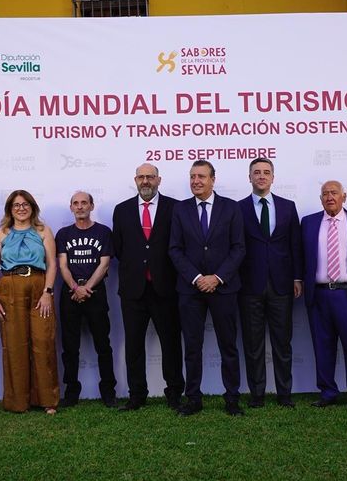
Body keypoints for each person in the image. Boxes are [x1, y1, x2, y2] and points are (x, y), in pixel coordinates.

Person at [169, 160, 246, 416]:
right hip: (190, 289)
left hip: (224, 288)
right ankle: (193, 399)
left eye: (201, 176)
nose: (196, 181)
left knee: (228, 346)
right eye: (192, 176)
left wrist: (217, 278)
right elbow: (175, 249)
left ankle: (232, 398)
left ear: (213, 179)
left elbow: (238, 248)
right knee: (192, 347)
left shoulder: (231, 207)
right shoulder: (180, 209)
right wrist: (197, 277)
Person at [111, 163, 184, 411]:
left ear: (158, 180)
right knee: (133, 345)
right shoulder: (121, 210)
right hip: (133, 290)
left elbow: (179, 245)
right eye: (141, 177)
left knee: (171, 344)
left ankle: (174, 392)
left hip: (166, 288)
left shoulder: (175, 208)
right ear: (135, 180)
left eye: (150, 177)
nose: (145, 181)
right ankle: (137, 395)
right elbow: (119, 248)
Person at [236, 158, 303, 408]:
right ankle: (257, 394)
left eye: (266, 172)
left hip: (282, 284)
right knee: (253, 344)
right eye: (256, 172)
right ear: (249, 177)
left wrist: (297, 277)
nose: (261, 176)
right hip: (248, 286)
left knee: (282, 342)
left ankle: (284, 394)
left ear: (273, 177)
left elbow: (295, 244)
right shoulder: (238, 208)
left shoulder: (288, 207)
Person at [301, 180, 347, 411]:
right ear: (320, 198)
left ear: (344, 196)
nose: (329, 197)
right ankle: (328, 392)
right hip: (319, 295)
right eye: (325, 194)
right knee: (322, 347)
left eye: (334, 193)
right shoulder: (308, 223)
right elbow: (301, 256)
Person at [0, 190, 59, 414]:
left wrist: (48, 292)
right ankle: (18, 401)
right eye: (16, 205)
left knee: (43, 341)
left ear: (32, 207)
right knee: (14, 344)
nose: (21, 208)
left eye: (25, 204)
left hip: (39, 286)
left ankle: (47, 399)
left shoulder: (43, 230)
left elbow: (52, 264)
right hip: (9, 288)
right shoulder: (1, 233)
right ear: (10, 209)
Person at [55, 191, 117, 407]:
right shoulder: (63, 234)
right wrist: (75, 287)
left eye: (84, 203)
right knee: (70, 347)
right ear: (71, 207)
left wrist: (86, 288)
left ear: (92, 206)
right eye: (76, 203)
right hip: (70, 294)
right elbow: (63, 265)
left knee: (103, 345)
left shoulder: (103, 232)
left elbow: (104, 264)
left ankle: (108, 392)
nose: (80, 206)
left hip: (95, 294)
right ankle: (71, 392)